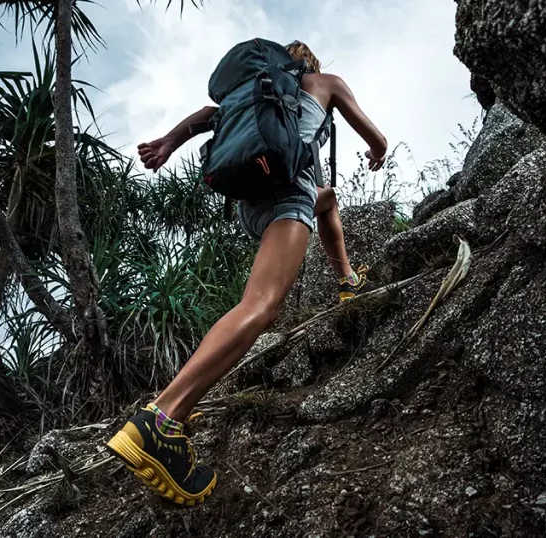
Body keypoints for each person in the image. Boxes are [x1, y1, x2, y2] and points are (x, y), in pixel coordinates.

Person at [105, 40, 388, 506]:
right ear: (308, 65)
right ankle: (161, 420)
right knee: (261, 304)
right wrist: (377, 150)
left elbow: (202, 115)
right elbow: (375, 138)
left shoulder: (250, 94)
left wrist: (167, 144)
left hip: (251, 204)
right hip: (286, 194)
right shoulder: (325, 84)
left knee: (328, 198)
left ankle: (347, 282)